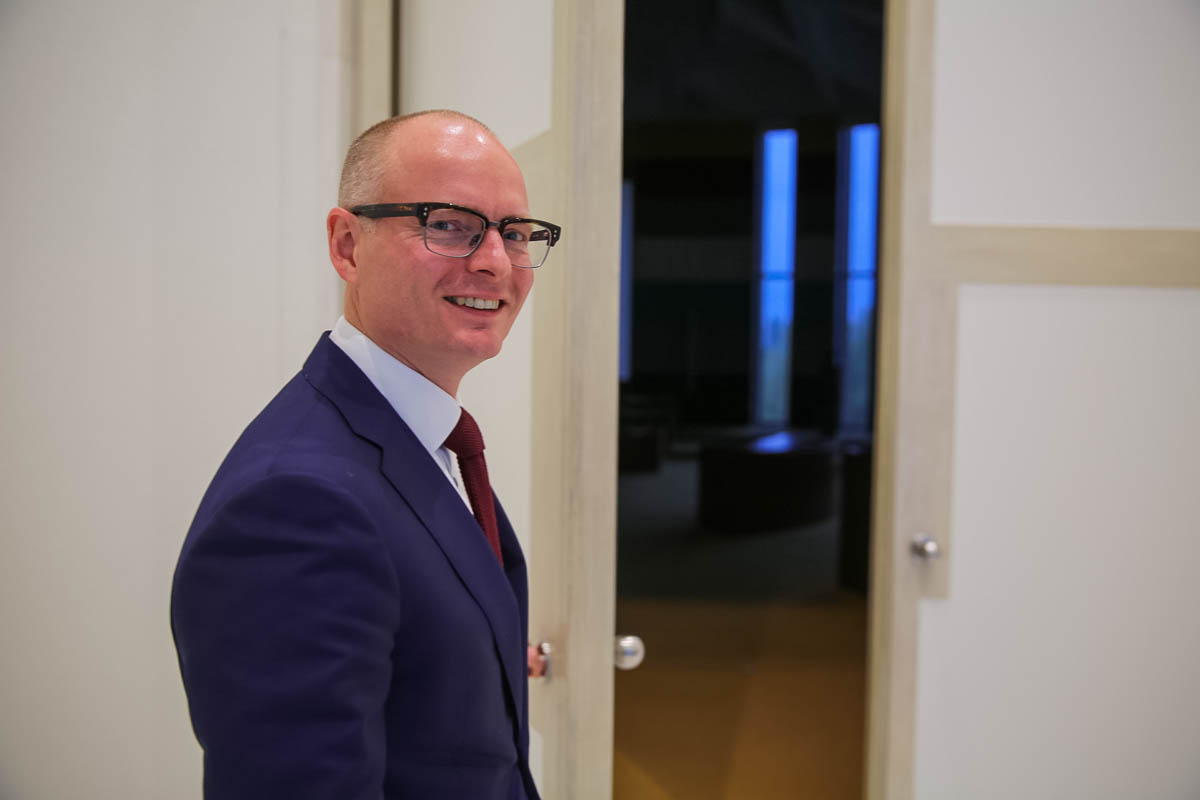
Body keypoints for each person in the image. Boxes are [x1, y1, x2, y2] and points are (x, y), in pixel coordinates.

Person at [170, 110, 559, 800]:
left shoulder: (420, 439)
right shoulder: (296, 505)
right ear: (348, 245)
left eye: (515, 232)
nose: (496, 261)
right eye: (449, 224)